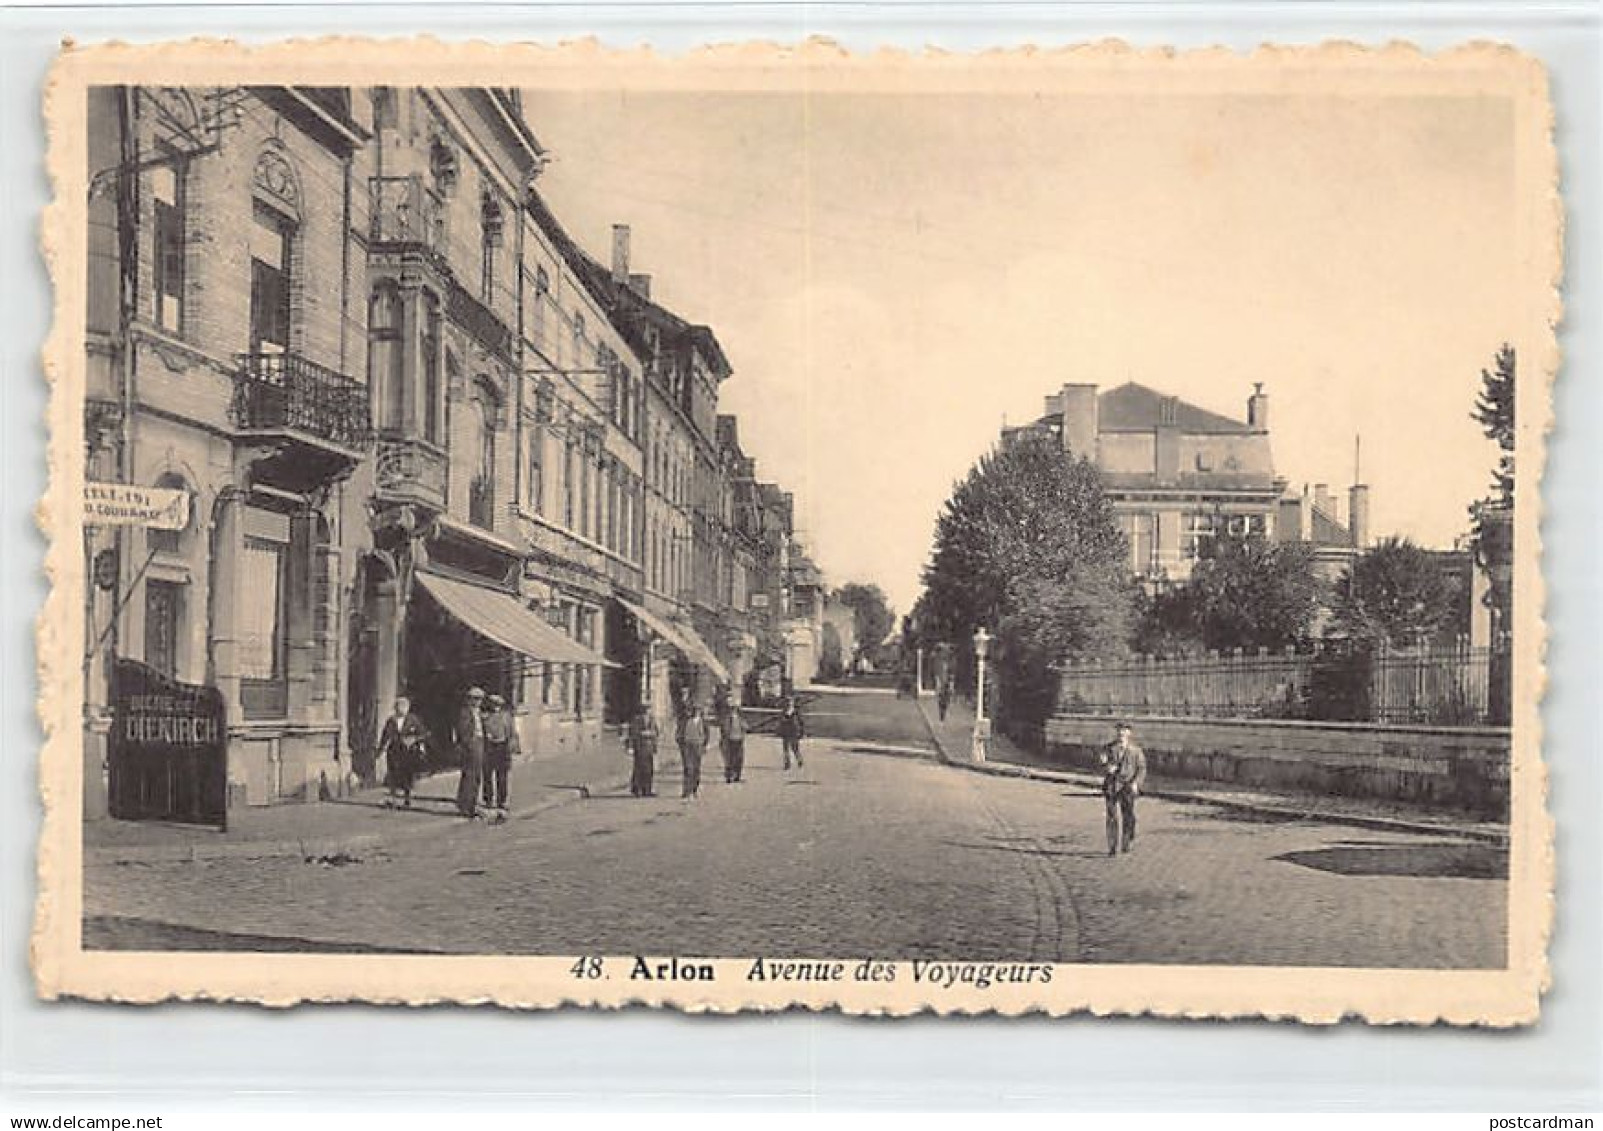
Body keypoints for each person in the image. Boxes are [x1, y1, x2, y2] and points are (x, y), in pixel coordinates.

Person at [1099, 720, 1148, 856]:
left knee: (1128, 815)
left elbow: (1142, 769)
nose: (1121, 733)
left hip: (1128, 787)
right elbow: (1101, 761)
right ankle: (1112, 846)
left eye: (1124, 730)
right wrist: (1107, 767)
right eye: (1119, 730)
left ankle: (1126, 841)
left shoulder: (1136, 751)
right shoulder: (1108, 748)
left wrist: (1136, 784)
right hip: (1112, 786)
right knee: (1112, 816)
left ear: (1129, 733)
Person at [378, 695, 429, 809]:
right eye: (399, 706)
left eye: (404, 706)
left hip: (408, 752)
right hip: (394, 751)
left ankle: (407, 799)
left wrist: (414, 739)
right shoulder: (391, 720)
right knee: (393, 774)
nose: (401, 709)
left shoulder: (413, 719)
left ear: (408, 708)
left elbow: (424, 734)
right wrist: (380, 750)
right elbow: (385, 736)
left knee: (407, 775)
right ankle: (394, 799)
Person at [481, 693, 519, 822]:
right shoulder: (485, 716)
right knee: (487, 775)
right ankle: (488, 799)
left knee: (502, 776)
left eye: (497, 704)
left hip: (502, 747)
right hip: (489, 747)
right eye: (493, 704)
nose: (495, 707)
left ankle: (502, 801)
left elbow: (512, 732)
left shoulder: (506, 717)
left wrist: (512, 747)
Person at [453, 686, 487, 819]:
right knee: (469, 776)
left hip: (480, 743)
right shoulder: (465, 713)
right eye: (475, 699)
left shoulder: (478, 712)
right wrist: (468, 744)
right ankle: (465, 805)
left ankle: (471, 804)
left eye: (480, 699)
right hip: (471, 746)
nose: (478, 702)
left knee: (476, 776)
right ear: (470, 699)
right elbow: (462, 731)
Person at [677, 699, 709, 799]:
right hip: (687, 746)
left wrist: (704, 745)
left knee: (696, 769)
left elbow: (706, 735)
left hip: (698, 746)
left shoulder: (702, 722)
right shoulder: (685, 721)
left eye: (698, 710)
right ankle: (686, 790)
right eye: (694, 710)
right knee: (687, 768)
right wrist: (681, 744)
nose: (695, 712)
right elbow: (679, 734)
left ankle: (694, 789)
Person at [626, 703, 659, 797]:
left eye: (649, 711)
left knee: (649, 770)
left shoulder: (652, 720)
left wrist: (654, 745)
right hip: (640, 748)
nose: (648, 713)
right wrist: (631, 747)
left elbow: (656, 732)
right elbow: (633, 734)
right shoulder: (637, 720)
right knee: (639, 769)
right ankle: (637, 789)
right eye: (646, 711)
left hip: (649, 749)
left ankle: (647, 789)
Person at [720, 699, 747, 784]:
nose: (734, 710)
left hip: (739, 740)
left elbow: (746, 726)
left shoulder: (740, 718)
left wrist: (744, 729)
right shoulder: (727, 718)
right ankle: (729, 776)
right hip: (730, 740)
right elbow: (724, 729)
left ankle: (737, 776)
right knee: (729, 759)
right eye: (732, 709)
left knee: (739, 759)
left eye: (735, 709)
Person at [777, 695, 805, 770]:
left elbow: (785, 718)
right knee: (790, 747)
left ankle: (794, 761)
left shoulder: (790, 710)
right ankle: (792, 761)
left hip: (791, 730)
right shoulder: (794, 710)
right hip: (789, 730)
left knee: (792, 747)